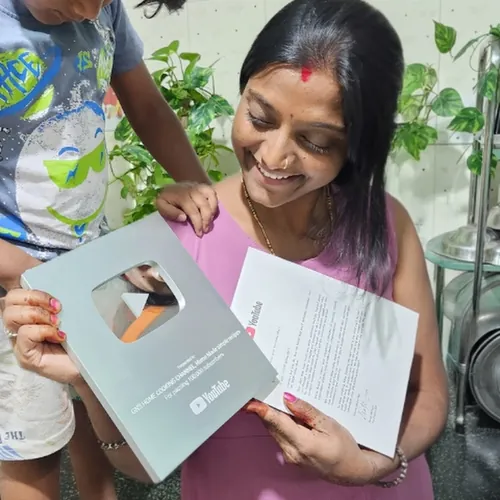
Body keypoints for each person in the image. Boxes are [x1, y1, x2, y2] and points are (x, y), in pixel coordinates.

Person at [2, 0, 449, 498]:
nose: (275, 157)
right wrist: (89, 379)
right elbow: (140, 463)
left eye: (316, 142)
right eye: (259, 117)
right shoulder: (179, 247)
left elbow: (428, 392)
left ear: (359, 145)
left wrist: (371, 464)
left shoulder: (386, 223)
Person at [0, 0, 219, 499]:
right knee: (32, 456)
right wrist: (16, 270)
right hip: (13, 285)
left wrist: (203, 190)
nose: (88, 13)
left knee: (97, 414)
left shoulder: (105, 10)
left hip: (86, 261)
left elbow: (148, 107)